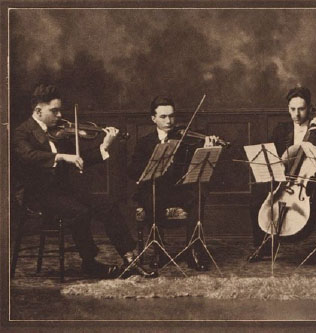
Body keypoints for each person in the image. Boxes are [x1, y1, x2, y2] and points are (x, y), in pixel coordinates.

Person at [12, 84, 156, 279]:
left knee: (108, 204)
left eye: (60, 110)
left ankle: (130, 259)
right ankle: (90, 263)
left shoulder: (60, 131)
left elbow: (79, 158)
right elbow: (28, 156)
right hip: (38, 194)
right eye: (54, 111)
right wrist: (61, 157)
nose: (60, 115)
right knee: (80, 211)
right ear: (38, 110)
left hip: (65, 191)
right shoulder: (22, 132)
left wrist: (104, 145)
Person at [248, 86, 316, 262]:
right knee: (257, 199)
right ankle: (265, 246)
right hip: (285, 180)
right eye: (292, 109)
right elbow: (271, 157)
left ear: (310, 108)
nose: (296, 114)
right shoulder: (281, 130)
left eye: (301, 109)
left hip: (310, 182)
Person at [127, 95, 220, 271]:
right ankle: (158, 250)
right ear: (153, 118)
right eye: (163, 117)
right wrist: (154, 165)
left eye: (171, 116)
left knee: (200, 193)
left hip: (178, 190)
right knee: (150, 198)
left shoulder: (184, 138)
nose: (169, 121)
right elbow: (132, 171)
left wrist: (207, 148)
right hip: (155, 190)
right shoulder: (145, 142)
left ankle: (193, 249)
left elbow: (196, 165)